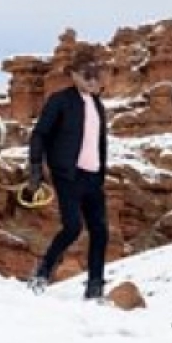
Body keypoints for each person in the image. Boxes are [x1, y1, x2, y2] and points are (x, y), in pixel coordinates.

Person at [25, 47, 110, 300]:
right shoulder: (59, 100)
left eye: (96, 74)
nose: (93, 79)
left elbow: (98, 142)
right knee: (73, 227)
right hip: (68, 175)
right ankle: (43, 272)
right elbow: (39, 134)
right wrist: (36, 168)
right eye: (87, 74)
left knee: (100, 231)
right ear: (73, 74)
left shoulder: (98, 105)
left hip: (93, 177)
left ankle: (95, 287)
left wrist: (101, 172)